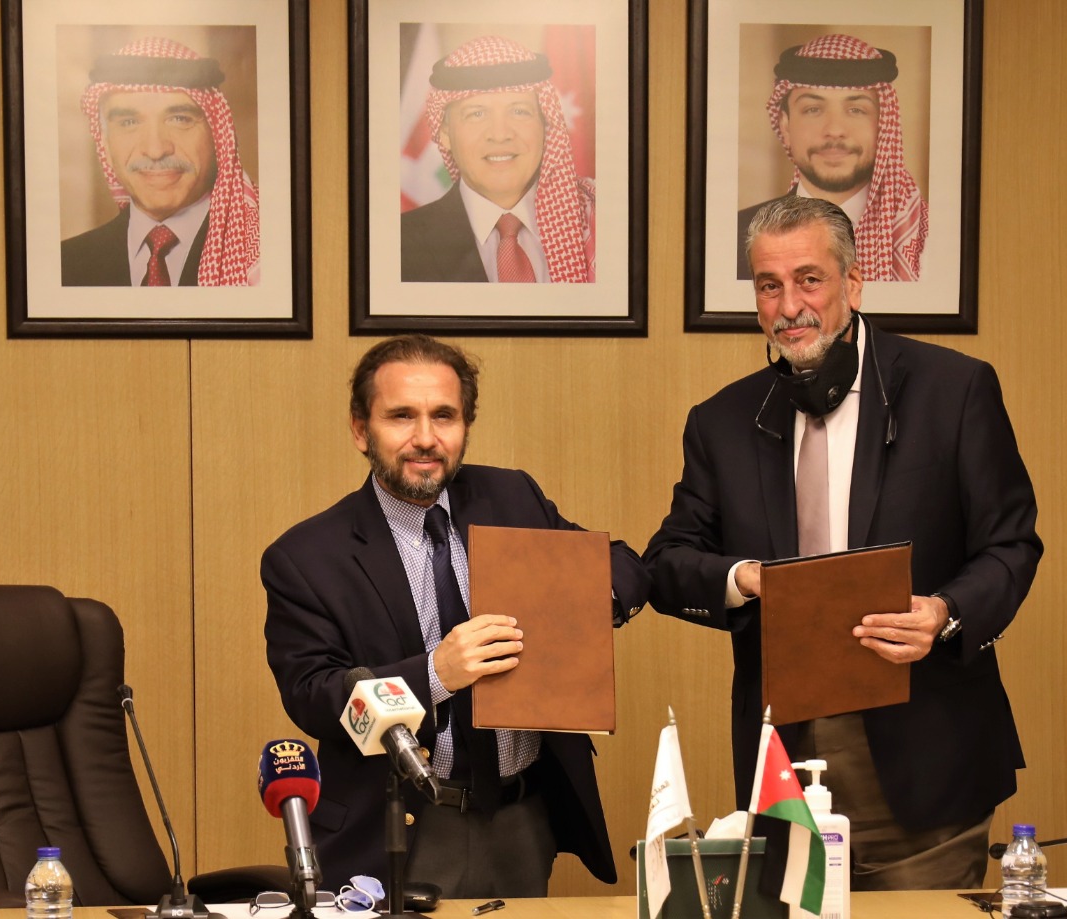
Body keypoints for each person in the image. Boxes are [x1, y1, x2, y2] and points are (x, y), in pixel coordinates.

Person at [647, 196, 1041, 890]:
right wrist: (744, 577)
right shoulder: (721, 420)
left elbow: (1011, 545)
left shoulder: (954, 390)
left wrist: (945, 612)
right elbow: (668, 562)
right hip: (784, 767)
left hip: (926, 760)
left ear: (853, 284)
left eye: (809, 279)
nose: (789, 305)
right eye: (769, 285)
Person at [262, 335, 647, 897]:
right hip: (400, 824)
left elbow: (623, 565)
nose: (425, 438)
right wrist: (435, 674)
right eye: (401, 416)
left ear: (465, 424)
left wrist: (582, 605)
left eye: (444, 415)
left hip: (522, 815)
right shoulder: (306, 557)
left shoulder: (510, 496)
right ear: (360, 430)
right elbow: (315, 699)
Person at [61, 36, 260, 287]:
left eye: (180, 119)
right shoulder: (64, 266)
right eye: (129, 123)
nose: (155, 150)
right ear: (106, 144)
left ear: (217, 136)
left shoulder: (264, 258)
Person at [400, 35, 596, 283]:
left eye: (519, 111)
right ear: (445, 134)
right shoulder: (398, 245)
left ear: (545, 125)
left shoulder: (598, 224)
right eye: (477, 114)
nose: (500, 134)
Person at [736, 33, 928, 283]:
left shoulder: (926, 238)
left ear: (883, 125)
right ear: (785, 126)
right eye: (813, 109)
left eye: (856, 110)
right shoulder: (736, 236)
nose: (835, 130)